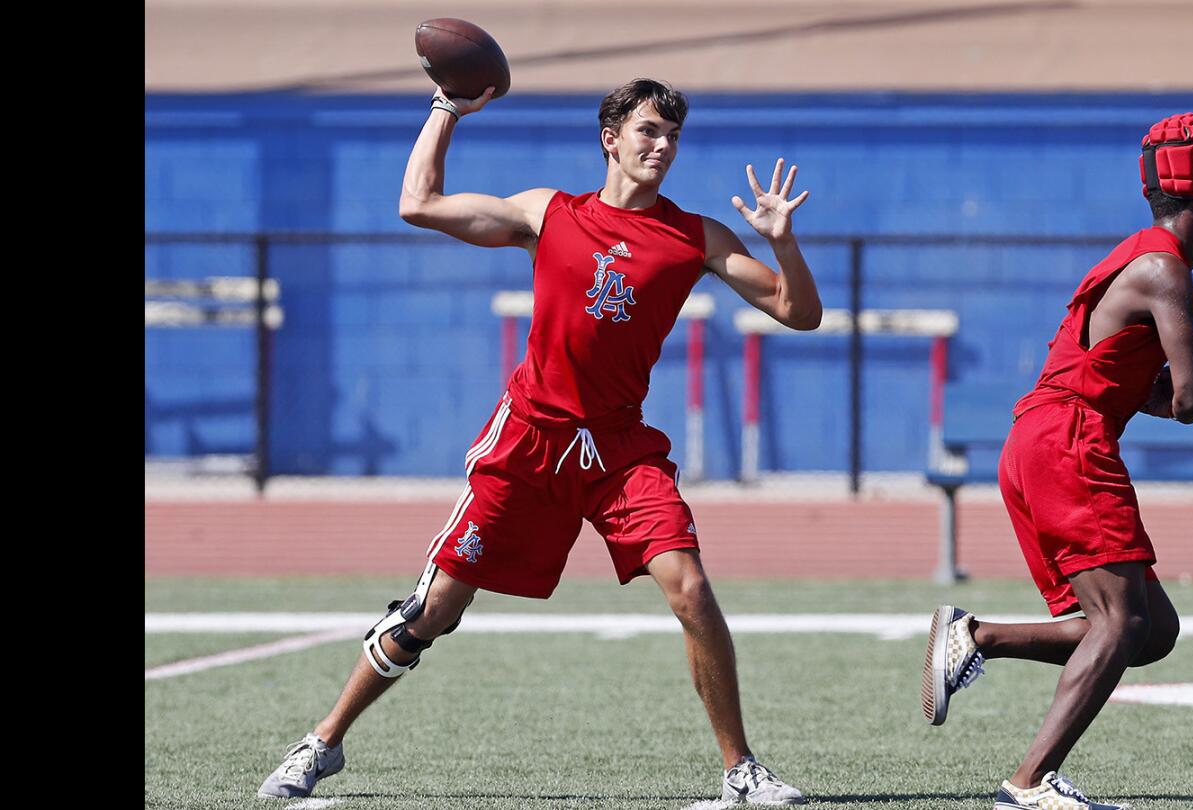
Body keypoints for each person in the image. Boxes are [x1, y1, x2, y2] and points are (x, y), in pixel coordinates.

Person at [257, 78, 820, 805]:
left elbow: (797, 312)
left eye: (674, 135)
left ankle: (741, 769)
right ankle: (322, 742)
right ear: (610, 138)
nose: (663, 146)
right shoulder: (548, 213)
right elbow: (417, 203)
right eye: (649, 131)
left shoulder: (698, 237)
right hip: (529, 442)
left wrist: (785, 244)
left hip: (619, 450)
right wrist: (446, 109)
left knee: (692, 590)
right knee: (434, 612)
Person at [921, 113, 1193, 810]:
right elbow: (1188, 404)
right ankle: (1027, 784)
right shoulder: (1167, 272)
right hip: (1069, 441)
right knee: (1121, 622)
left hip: (1040, 437)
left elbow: (1130, 386)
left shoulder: (1137, 255)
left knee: (1152, 630)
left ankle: (976, 635)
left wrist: (1172, 383)